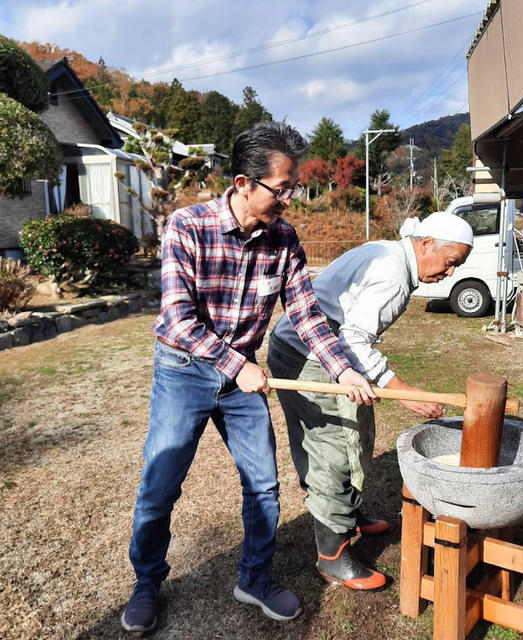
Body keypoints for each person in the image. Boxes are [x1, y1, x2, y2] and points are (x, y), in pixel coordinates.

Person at [121, 122, 378, 633]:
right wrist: (236, 365)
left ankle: (254, 578)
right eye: (281, 189)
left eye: (292, 188)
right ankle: (146, 581)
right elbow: (177, 317)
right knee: (161, 484)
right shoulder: (187, 226)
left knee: (262, 484)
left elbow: (306, 315)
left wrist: (344, 368)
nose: (289, 200)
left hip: (243, 374)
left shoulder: (283, 238)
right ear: (243, 182)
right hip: (185, 368)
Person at [267, 212, 473, 590]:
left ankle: (352, 512)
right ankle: (332, 557)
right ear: (426, 244)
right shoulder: (394, 273)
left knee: (356, 437)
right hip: (308, 358)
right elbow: (353, 340)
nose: (449, 274)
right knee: (332, 452)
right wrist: (405, 392)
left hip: (307, 348)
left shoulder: (388, 252)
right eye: (450, 263)